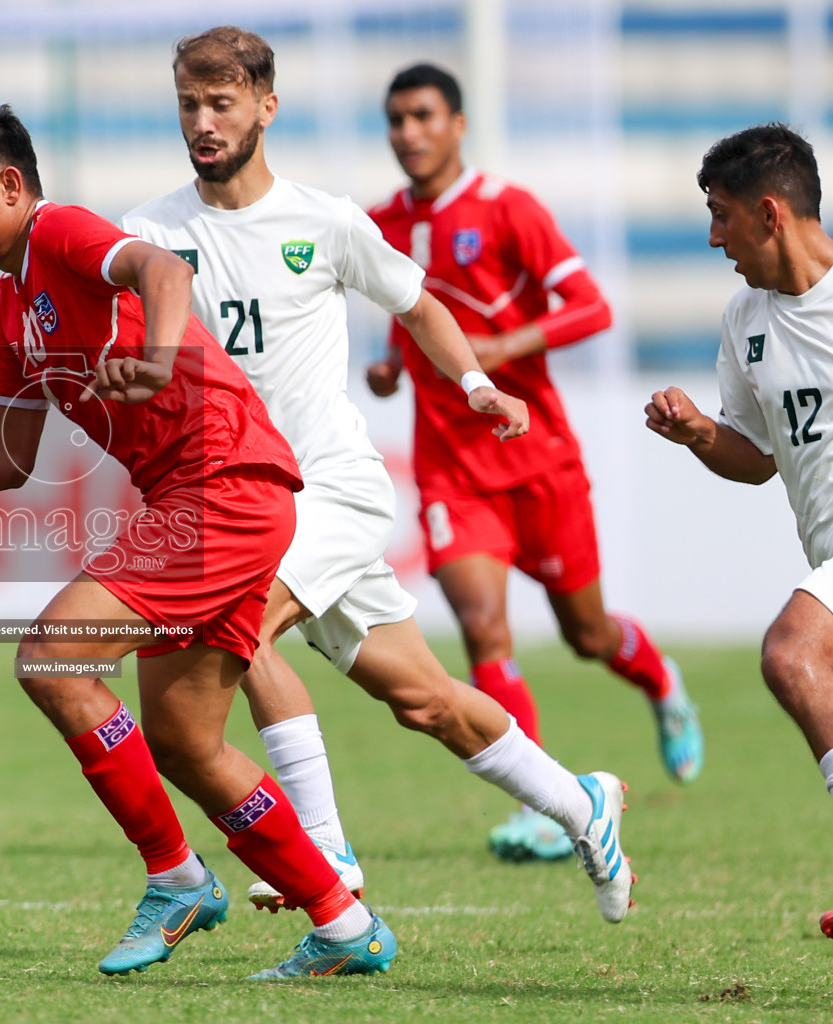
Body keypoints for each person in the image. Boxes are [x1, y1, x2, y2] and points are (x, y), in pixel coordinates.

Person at [0, 102, 396, 980]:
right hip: (202, 497)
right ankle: (345, 927)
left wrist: (155, 356)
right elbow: (5, 454)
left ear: (10, 185)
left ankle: (177, 879)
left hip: (222, 483)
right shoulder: (9, 306)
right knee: (186, 744)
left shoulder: (63, 231)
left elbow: (163, 272)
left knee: (52, 657)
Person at [120, 26, 633, 924]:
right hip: (244, 497)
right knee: (426, 700)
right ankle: (582, 803)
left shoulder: (324, 221)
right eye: (188, 105)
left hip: (331, 491)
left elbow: (420, 301)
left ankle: (322, 852)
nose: (203, 122)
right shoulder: (151, 231)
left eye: (222, 103)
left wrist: (475, 383)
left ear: (266, 109)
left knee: (236, 625)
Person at [367, 63, 704, 860]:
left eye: (422, 116)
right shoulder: (381, 222)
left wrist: (501, 347)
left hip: (536, 457)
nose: (408, 133)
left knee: (586, 634)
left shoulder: (508, 208)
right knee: (484, 627)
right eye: (396, 119)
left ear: (457, 124)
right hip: (451, 466)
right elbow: (404, 307)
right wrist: (389, 363)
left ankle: (663, 686)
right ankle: (548, 801)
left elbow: (593, 304)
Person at [647, 124, 833, 930]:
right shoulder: (745, 321)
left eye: (721, 216)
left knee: (792, 653)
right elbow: (757, 458)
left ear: (769, 213)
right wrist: (696, 433)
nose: (713, 236)